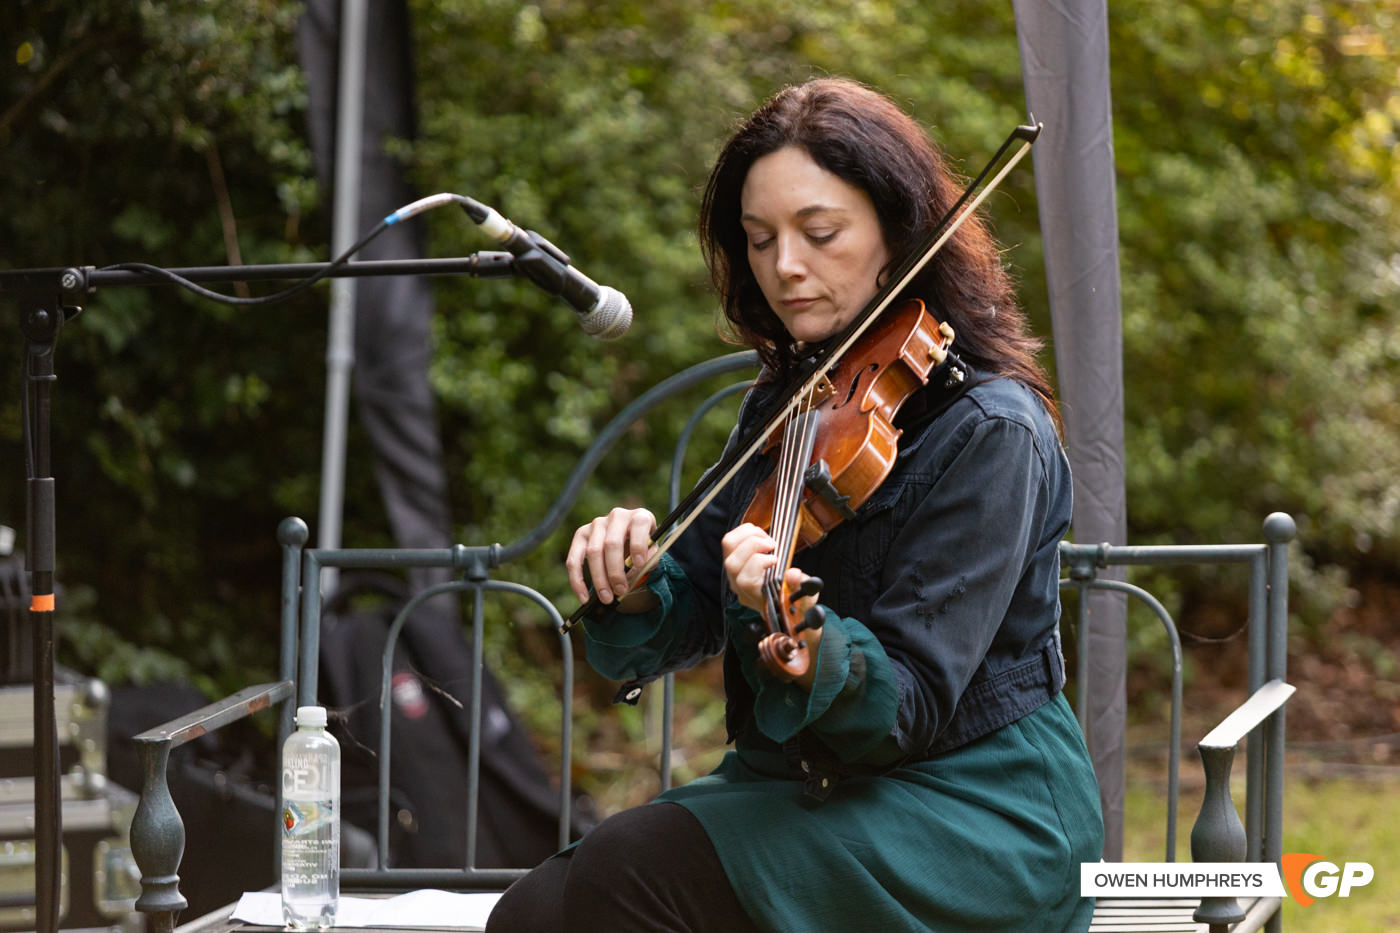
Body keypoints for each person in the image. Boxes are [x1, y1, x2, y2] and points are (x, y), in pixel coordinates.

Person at [486, 76, 1103, 933]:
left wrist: (809, 647)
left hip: (971, 808)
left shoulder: (992, 431)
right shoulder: (792, 396)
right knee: (532, 916)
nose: (784, 266)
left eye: (819, 233)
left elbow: (913, 702)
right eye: (758, 239)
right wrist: (633, 584)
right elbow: (698, 593)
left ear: (899, 230)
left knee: (630, 877)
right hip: (808, 784)